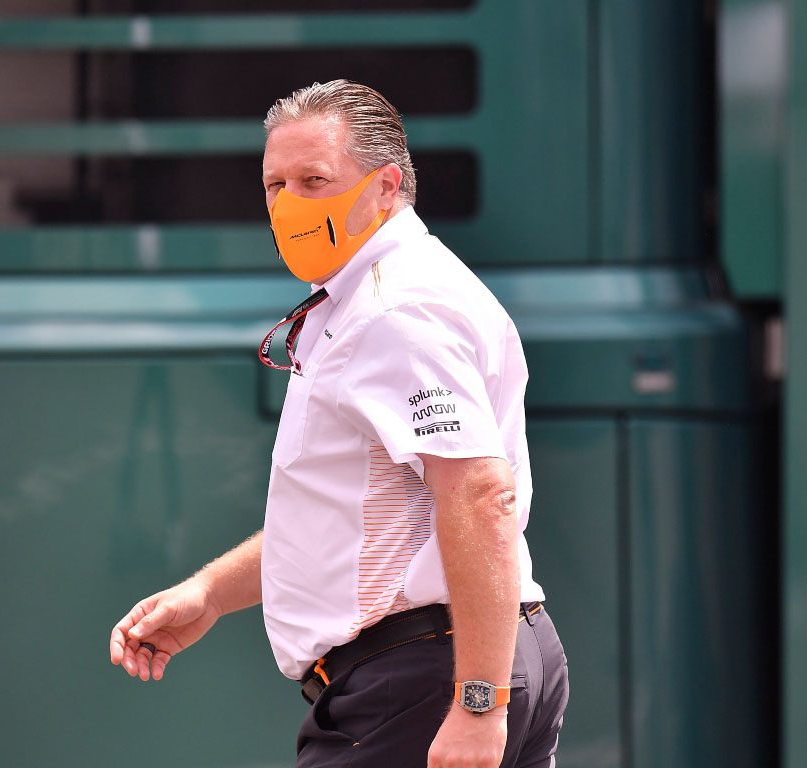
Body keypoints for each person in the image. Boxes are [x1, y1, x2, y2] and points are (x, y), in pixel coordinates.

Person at [109, 79, 568, 768]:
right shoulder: (388, 296)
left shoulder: (393, 310)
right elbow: (359, 517)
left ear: (386, 186)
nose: (289, 205)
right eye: (275, 185)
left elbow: (479, 494)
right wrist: (209, 593)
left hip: (424, 680)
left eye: (314, 180)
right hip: (475, 659)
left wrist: (478, 704)